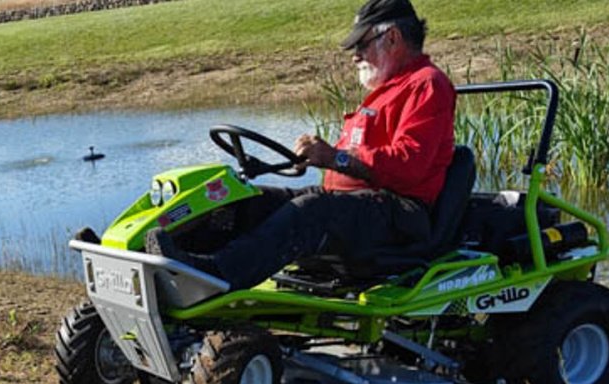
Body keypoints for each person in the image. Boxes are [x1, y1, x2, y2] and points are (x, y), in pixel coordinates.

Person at [146, 0, 456, 290]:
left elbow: (408, 166)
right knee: (249, 201)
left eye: (361, 44)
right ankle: (171, 257)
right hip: (357, 202)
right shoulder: (388, 88)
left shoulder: (427, 84)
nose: (354, 55)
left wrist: (336, 159)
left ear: (393, 38)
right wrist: (318, 157)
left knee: (311, 211)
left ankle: (216, 275)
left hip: (400, 214)